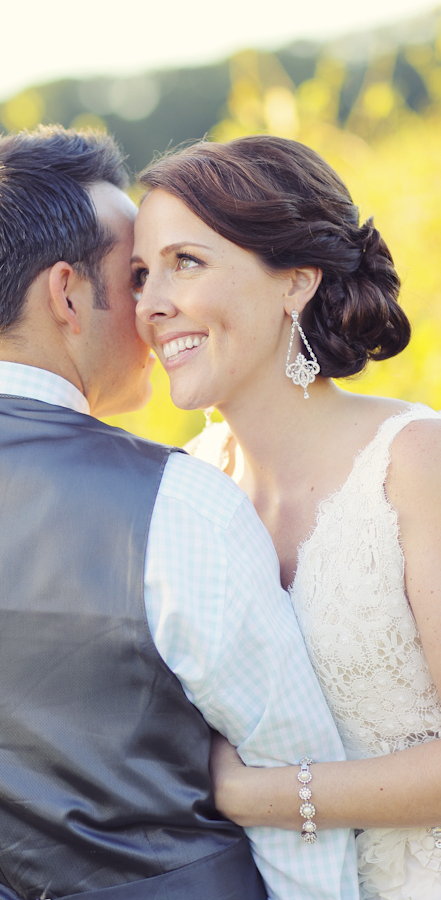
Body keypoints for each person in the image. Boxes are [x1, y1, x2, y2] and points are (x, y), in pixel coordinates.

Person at [0, 127, 358, 900]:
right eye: (135, 275)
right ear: (66, 294)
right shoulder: (180, 505)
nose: (153, 310)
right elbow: (294, 802)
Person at [128, 135, 441, 900]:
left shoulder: (414, 461)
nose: (150, 303)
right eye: (140, 275)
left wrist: (252, 796)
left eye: (185, 262)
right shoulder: (187, 488)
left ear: (295, 281)